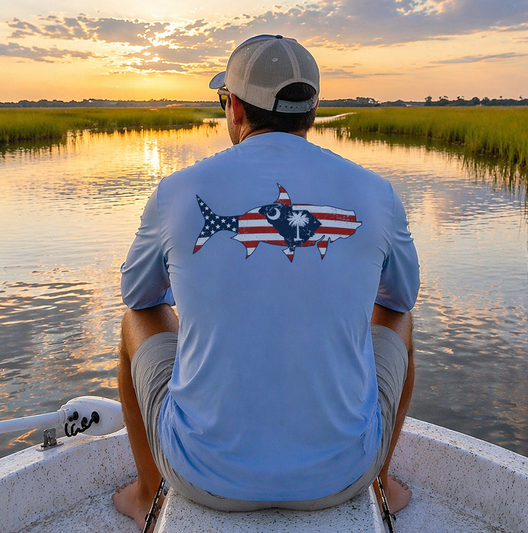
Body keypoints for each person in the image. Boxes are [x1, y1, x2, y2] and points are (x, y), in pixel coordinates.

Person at [113, 34, 419, 531]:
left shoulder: (175, 190)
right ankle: (379, 479)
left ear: (233, 107)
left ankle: (149, 489)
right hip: (344, 475)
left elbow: (139, 296)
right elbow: (401, 299)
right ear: (312, 111)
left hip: (198, 474)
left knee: (136, 320)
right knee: (399, 319)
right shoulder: (375, 192)